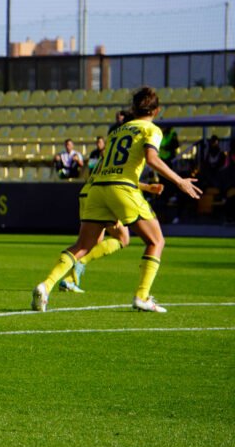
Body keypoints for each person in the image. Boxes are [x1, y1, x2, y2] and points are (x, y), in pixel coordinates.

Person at [31, 86, 201, 314]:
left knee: (82, 245)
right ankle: (142, 296)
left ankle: (46, 285)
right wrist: (179, 181)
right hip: (122, 190)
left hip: (98, 188)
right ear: (157, 110)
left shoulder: (116, 132)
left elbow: (107, 170)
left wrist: (146, 186)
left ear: (132, 108)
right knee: (156, 241)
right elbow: (151, 158)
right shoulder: (151, 129)